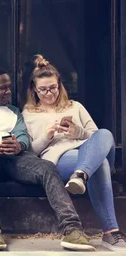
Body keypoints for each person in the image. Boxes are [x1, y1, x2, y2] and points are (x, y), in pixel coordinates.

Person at [0, 66, 94, 251]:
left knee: (47, 167)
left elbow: (23, 137)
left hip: (15, 159)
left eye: (9, 87)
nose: (8, 91)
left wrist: (18, 145)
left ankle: (72, 229)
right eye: (3, 88)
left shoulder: (13, 111)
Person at [23, 55, 125, 251]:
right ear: (34, 89)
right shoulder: (28, 113)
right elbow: (31, 152)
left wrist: (78, 132)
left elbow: (99, 138)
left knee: (105, 133)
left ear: (59, 85)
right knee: (101, 165)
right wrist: (47, 136)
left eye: (53, 87)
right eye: (43, 89)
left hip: (87, 151)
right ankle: (111, 233)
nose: (49, 93)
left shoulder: (75, 106)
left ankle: (81, 174)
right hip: (59, 158)